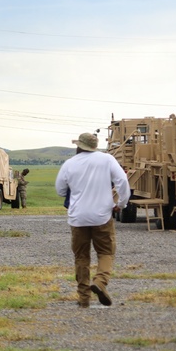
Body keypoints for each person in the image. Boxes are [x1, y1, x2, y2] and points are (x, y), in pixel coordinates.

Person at [55, 132, 131, 308]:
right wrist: (121, 203)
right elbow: (122, 181)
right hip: (102, 216)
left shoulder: (69, 164)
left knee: (81, 257)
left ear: (79, 145)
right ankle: (100, 281)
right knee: (106, 252)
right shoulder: (107, 160)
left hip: (78, 218)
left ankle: (83, 298)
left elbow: (60, 190)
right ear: (95, 146)